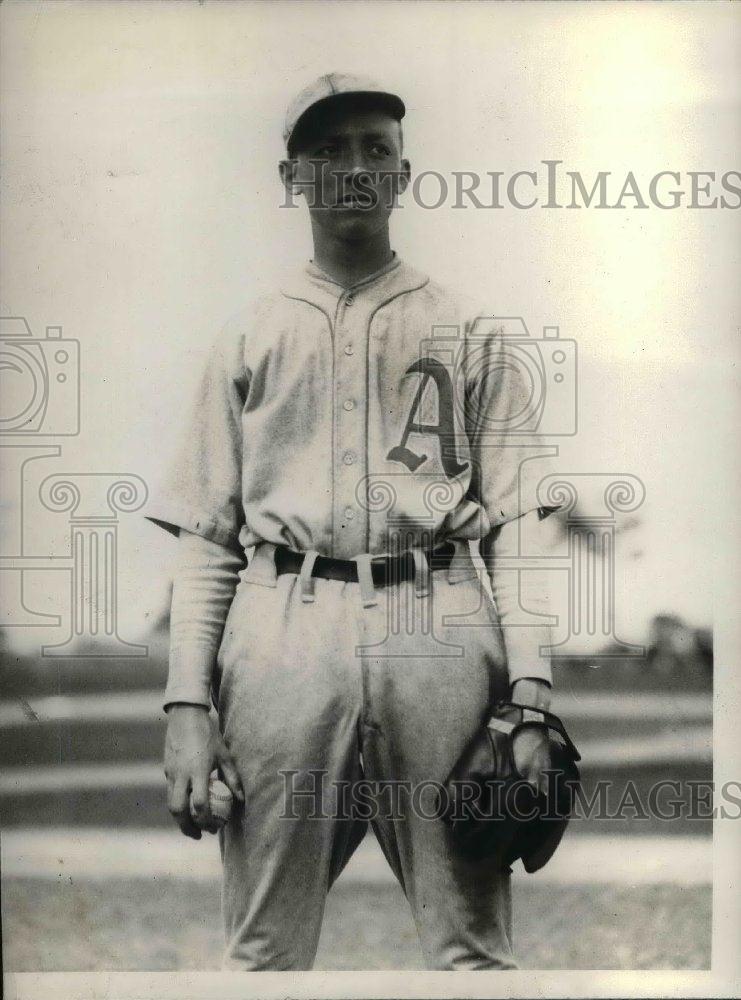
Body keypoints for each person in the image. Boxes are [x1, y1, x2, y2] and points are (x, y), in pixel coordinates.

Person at [145, 73, 559, 971]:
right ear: (290, 176)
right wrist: (186, 704)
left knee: (472, 952)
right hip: (280, 623)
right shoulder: (250, 333)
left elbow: (516, 526)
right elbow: (210, 539)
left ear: (405, 172)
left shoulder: (470, 330)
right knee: (262, 951)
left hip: (439, 617)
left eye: (375, 148)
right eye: (328, 151)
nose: (354, 168)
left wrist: (529, 691)